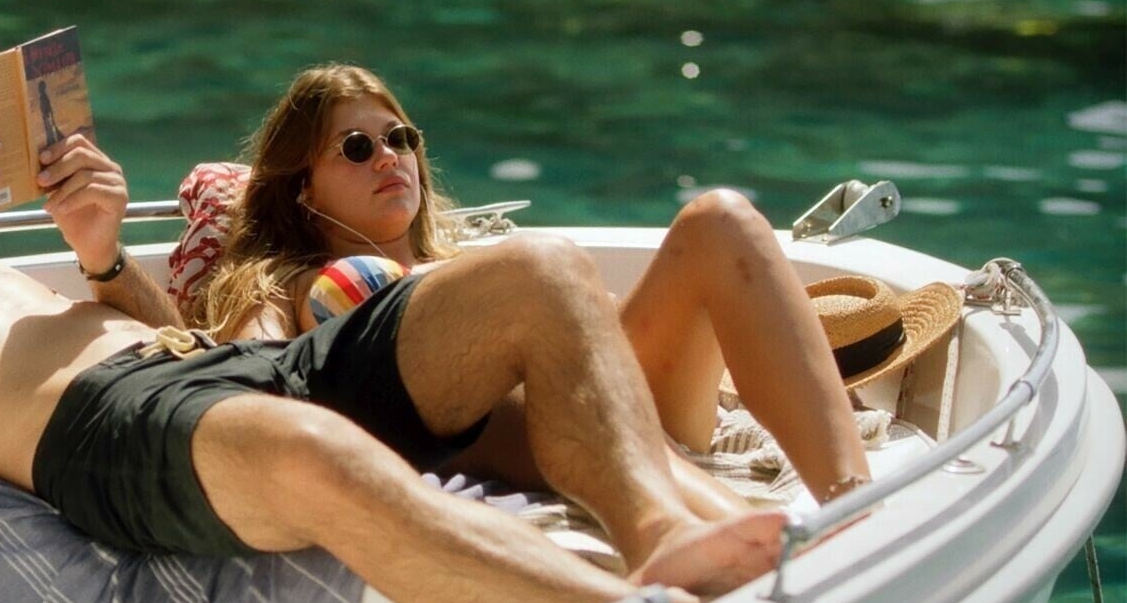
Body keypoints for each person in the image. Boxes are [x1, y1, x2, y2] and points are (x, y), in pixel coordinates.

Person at [0, 50, 788, 603]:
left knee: (537, 271)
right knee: (313, 456)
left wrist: (99, 258)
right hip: (109, 435)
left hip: (214, 373)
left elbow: (171, 340)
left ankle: (657, 530)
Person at [198, 63, 872, 513]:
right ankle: (747, 538)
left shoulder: (473, 263)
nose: (389, 158)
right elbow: (249, 380)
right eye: (356, 147)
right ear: (302, 188)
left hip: (631, 398)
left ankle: (854, 504)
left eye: (399, 138)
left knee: (720, 219)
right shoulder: (293, 283)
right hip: (543, 436)